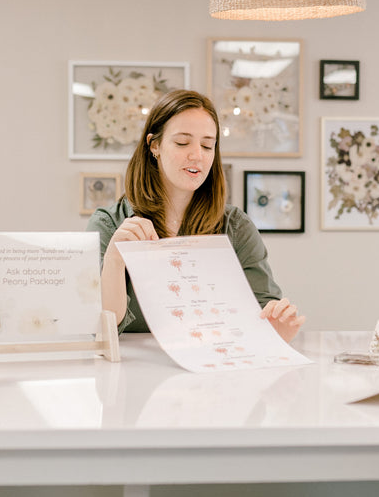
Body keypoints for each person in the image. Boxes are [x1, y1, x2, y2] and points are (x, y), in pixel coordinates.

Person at [86, 89, 304, 343]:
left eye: (207, 145)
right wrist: (114, 259)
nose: (197, 155)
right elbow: (103, 327)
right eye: (182, 143)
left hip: (212, 371)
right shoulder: (109, 223)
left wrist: (278, 326)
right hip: (131, 373)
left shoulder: (235, 227)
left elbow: (263, 313)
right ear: (154, 145)